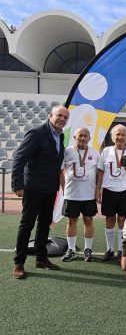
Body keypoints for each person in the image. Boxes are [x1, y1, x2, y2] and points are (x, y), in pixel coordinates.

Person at [12, 105, 69, 279]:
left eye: (65, 117)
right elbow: (19, 157)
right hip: (33, 188)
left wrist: (59, 187)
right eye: (59, 115)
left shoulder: (61, 136)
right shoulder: (37, 133)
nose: (62, 119)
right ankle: (19, 263)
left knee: (44, 224)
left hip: (49, 189)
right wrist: (17, 185)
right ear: (50, 115)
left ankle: (41, 258)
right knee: (27, 225)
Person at [96, 124, 126, 262]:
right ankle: (109, 250)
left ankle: (121, 250)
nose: (120, 137)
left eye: (123, 135)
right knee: (109, 219)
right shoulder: (106, 151)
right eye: (117, 134)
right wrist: (98, 190)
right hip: (109, 190)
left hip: (125, 190)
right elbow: (101, 172)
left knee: (122, 220)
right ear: (113, 137)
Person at [60, 127, 100, 262]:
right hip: (72, 194)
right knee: (71, 221)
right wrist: (63, 190)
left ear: (89, 138)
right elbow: (60, 172)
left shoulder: (95, 153)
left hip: (88, 195)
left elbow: (99, 174)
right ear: (74, 137)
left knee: (88, 220)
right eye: (80, 135)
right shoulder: (67, 152)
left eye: (85, 136)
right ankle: (71, 250)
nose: (82, 138)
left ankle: (88, 250)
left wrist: (97, 190)